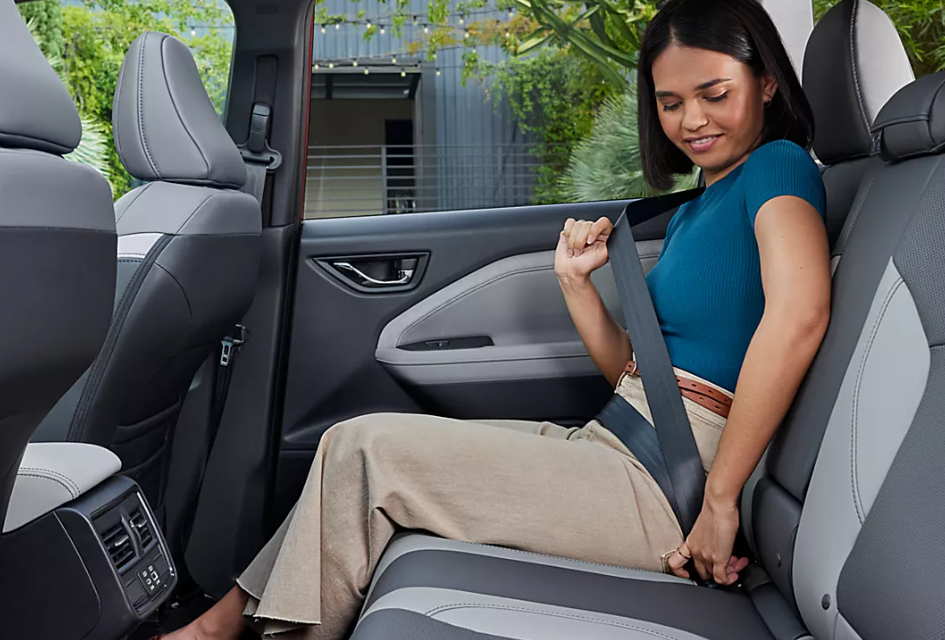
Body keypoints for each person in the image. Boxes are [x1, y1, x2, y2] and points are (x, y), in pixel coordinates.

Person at [160, 0, 830, 638]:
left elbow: (798, 316)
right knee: (349, 445)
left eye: (715, 94)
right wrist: (574, 285)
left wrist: (717, 503)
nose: (691, 121)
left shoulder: (778, 166)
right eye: (670, 102)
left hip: (665, 485)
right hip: (619, 441)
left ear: (767, 83)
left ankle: (224, 630)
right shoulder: (693, 209)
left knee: (368, 450)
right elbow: (636, 372)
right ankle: (221, 625)